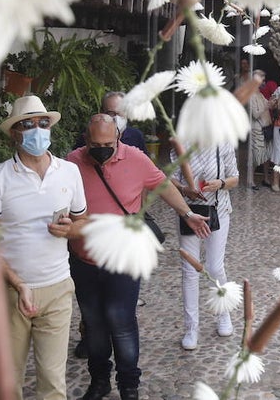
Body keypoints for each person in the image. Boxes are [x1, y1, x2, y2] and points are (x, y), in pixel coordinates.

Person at [67, 114, 212, 400]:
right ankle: (99, 381)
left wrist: (187, 212)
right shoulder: (72, 162)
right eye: (95, 144)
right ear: (85, 140)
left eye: (108, 143)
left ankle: (128, 384)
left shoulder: (135, 158)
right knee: (93, 323)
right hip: (84, 260)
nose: (101, 149)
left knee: (121, 321)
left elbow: (163, 185)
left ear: (118, 138)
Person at [0, 95, 87, 400]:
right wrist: (17, 284)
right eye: (27, 124)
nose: (37, 130)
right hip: (10, 291)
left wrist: (71, 230)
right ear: (14, 133)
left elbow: (83, 221)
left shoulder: (69, 172)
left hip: (58, 288)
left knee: (54, 385)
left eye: (43, 123)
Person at [172, 141, 240, 350]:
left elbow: (235, 178)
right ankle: (191, 327)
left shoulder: (223, 144)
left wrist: (219, 183)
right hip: (188, 211)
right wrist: (184, 188)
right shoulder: (181, 142)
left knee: (215, 267)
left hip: (218, 210)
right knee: (189, 270)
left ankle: (223, 314)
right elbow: (170, 178)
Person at [246, 70, 274, 189]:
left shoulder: (260, 93)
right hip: (257, 129)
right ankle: (250, 181)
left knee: (267, 155)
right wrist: (266, 106)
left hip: (266, 128)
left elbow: (268, 106)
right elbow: (255, 114)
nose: (263, 81)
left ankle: (266, 179)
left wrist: (272, 102)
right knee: (256, 155)